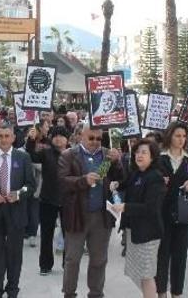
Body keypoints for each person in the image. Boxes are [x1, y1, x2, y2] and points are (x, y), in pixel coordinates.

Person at [58, 125, 123, 298]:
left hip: (101, 216)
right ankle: (69, 293)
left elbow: (121, 178)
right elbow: (62, 182)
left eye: (99, 138)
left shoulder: (108, 155)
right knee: (72, 259)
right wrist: (83, 180)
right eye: (91, 138)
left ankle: (96, 293)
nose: (95, 142)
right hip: (77, 215)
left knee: (99, 259)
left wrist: (117, 162)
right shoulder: (69, 155)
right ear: (81, 137)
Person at [0, 124, 36, 298]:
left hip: (16, 212)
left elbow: (31, 186)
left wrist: (19, 193)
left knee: (15, 254)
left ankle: (12, 289)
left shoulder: (23, 157)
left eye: (6, 136)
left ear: (13, 138)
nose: (3, 139)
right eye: (0, 136)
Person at [112, 138, 166, 298]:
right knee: (140, 274)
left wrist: (125, 207)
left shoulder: (155, 177)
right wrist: (116, 184)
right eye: (137, 152)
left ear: (153, 156)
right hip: (134, 230)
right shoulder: (136, 172)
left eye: (144, 152)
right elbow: (126, 183)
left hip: (147, 233)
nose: (139, 155)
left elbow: (150, 207)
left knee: (147, 274)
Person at [156, 121, 188, 298]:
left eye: (184, 136)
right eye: (177, 136)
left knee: (180, 256)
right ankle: (161, 292)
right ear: (169, 136)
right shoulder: (159, 156)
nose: (181, 139)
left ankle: (177, 292)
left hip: (182, 213)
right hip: (162, 212)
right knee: (162, 255)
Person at [26, 125, 69, 275]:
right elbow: (31, 155)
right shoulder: (46, 152)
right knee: (46, 234)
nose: (58, 138)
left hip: (68, 201)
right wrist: (31, 140)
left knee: (68, 235)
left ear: (67, 139)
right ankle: (45, 265)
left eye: (61, 135)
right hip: (48, 199)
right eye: (55, 135)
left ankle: (67, 265)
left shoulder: (73, 154)